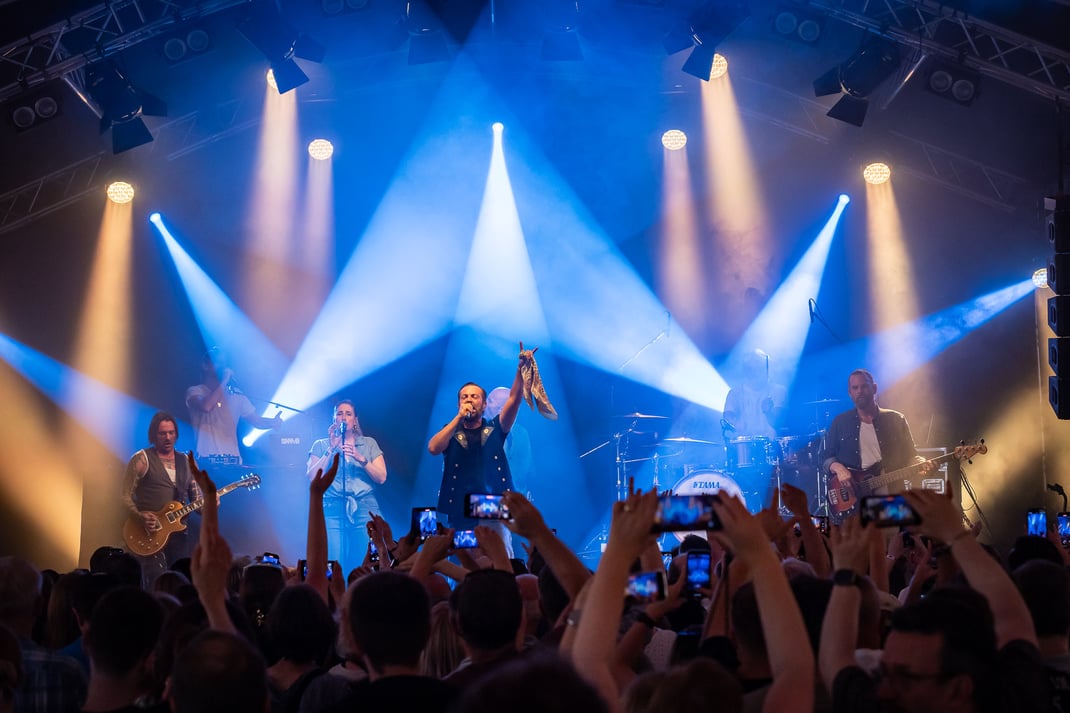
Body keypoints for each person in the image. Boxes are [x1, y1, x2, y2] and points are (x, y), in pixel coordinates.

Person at [428, 345, 532, 531]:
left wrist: (520, 370)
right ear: (458, 403)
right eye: (464, 397)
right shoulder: (451, 430)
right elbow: (433, 448)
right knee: (465, 555)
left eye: (474, 397)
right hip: (459, 505)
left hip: (491, 504)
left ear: (484, 405)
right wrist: (459, 417)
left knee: (493, 554)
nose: (469, 400)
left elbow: (514, 399)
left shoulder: (494, 428)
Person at [821, 369, 932, 503]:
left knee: (895, 524)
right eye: (855, 388)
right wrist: (839, 469)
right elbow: (825, 458)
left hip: (892, 496)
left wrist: (919, 462)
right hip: (854, 501)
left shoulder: (896, 419)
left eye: (864, 386)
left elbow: (911, 455)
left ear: (874, 388)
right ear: (850, 393)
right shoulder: (840, 422)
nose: (860, 391)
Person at [306, 400, 387, 570]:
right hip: (333, 508)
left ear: (355, 420)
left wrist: (361, 458)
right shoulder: (321, 445)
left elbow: (381, 477)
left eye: (348, 414)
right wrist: (331, 448)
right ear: (334, 419)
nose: (343, 417)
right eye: (339, 413)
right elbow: (313, 477)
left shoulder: (368, 443)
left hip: (365, 507)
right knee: (333, 561)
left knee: (366, 561)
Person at [120, 412, 199, 583]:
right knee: (153, 582)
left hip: (178, 537)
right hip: (148, 534)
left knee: (179, 583)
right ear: (154, 435)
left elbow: (198, 505)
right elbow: (124, 496)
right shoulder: (142, 459)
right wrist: (139, 516)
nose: (168, 437)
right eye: (162, 433)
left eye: (171, 433)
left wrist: (212, 502)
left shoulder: (187, 462)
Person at [185, 348, 282, 462]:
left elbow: (257, 421)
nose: (222, 366)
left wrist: (272, 422)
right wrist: (225, 380)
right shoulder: (195, 392)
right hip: (205, 462)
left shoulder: (235, 394)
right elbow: (206, 406)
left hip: (232, 460)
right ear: (205, 366)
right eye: (217, 362)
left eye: (224, 363)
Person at [485, 386, 535, 502]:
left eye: (490, 401)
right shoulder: (478, 431)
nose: (485, 403)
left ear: (503, 409)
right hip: (486, 505)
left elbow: (530, 471)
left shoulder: (522, 433)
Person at [722, 349, 786, 439]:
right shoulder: (735, 393)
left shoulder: (778, 390)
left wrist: (768, 413)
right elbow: (727, 417)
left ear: (766, 368)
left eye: (758, 367)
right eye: (750, 368)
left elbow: (780, 423)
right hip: (743, 446)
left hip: (771, 446)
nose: (754, 372)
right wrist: (735, 423)